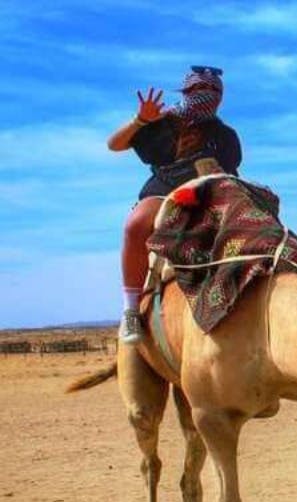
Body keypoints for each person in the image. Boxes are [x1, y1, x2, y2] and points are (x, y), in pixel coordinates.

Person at [107, 65, 242, 343]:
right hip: (166, 188)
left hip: (210, 192)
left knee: (257, 222)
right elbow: (114, 145)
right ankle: (131, 310)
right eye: (198, 89)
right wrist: (140, 120)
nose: (205, 96)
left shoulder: (225, 136)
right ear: (186, 90)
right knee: (135, 225)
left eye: (212, 91)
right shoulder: (161, 121)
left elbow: (229, 172)